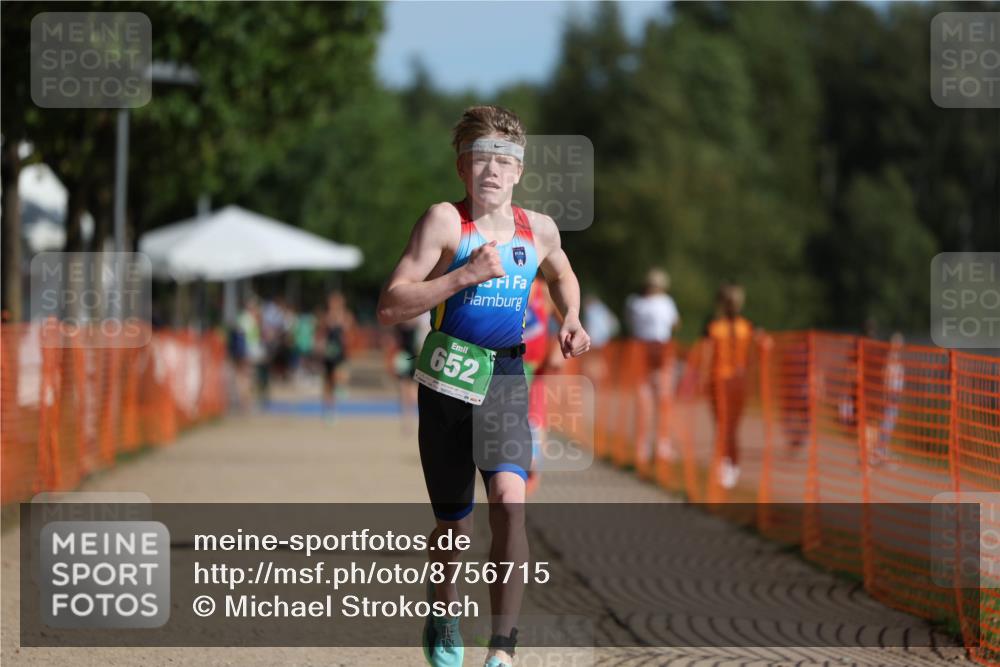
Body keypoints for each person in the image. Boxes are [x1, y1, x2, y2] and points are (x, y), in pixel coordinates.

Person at [376, 105, 590, 667]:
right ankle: (445, 611)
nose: (492, 170)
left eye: (504, 161)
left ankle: (503, 647)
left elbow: (562, 272)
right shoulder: (445, 222)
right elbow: (391, 303)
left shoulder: (538, 228)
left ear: (518, 171)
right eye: (480, 159)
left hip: (505, 378)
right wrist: (463, 275)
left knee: (510, 506)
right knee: (454, 523)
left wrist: (571, 316)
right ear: (462, 168)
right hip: (448, 377)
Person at [625, 268, 681, 466]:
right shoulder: (666, 302)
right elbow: (675, 324)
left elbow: (631, 324)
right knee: (662, 400)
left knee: (645, 401)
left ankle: (644, 446)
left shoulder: (635, 303)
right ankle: (661, 446)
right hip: (660, 349)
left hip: (642, 350)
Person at [703, 284, 755, 490]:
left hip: (733, 382)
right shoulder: (716, 327)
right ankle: (725, 463)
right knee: (725, 426)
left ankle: (730, 463)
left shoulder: (744, 327)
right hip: (720, 381)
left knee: (730, 426)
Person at [318, 292, 354, 419]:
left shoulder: (346, 316)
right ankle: (329, 410)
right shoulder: (326, 316)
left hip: (341, 352)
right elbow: (321, 334)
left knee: (341, 373)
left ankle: (341, 387)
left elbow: (349, 332)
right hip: (329, 351)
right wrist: (321, 346)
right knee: (328, 383)